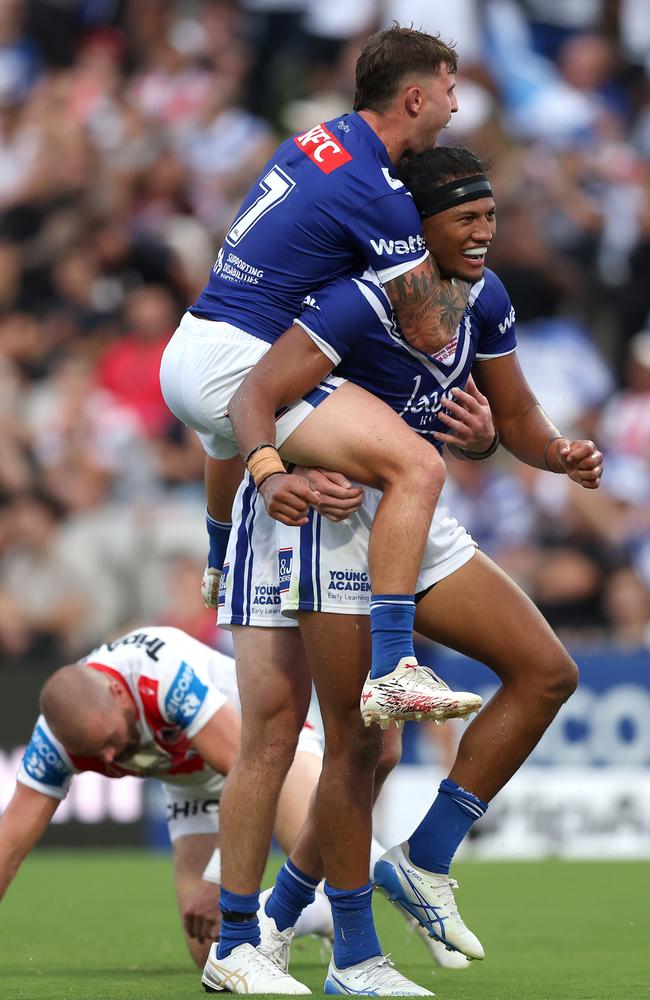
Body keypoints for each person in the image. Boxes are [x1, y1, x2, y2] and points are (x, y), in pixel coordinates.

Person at [221, 145, 604, 988]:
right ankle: (352, 956)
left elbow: (517, 417)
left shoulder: (486, 299)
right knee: (360, 745)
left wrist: (558, 453)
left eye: (491, 216)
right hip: (337, 523)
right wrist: (273, 470)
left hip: (416, 517)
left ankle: (422, 860)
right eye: (466, 218)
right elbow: (253, 393)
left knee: (546, 672)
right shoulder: (359, 300)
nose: (484, 233)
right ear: (416, 226)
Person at [161, 24, 486, 997]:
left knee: (274, 724)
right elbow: (425, 320)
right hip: (238, 364)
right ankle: (394, 664)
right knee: (410, 466)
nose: (457, 108)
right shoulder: (378, 191)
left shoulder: (317, 141)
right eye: (450, 90)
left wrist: (259, 463)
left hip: (203, 351)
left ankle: (242, 940)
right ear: (416, 97)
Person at [0, 625, 328, 978]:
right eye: (94, 752)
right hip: (190, 784)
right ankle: (314, 914)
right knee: (210, 950)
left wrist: (220, 877)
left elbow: (254, 780)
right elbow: (9, 847)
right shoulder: (53, 741)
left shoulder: (160, 676)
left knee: (319, 848)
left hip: (264, 749)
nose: (110, 757)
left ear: (117, 693)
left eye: (110, 739)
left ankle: (362, 896)